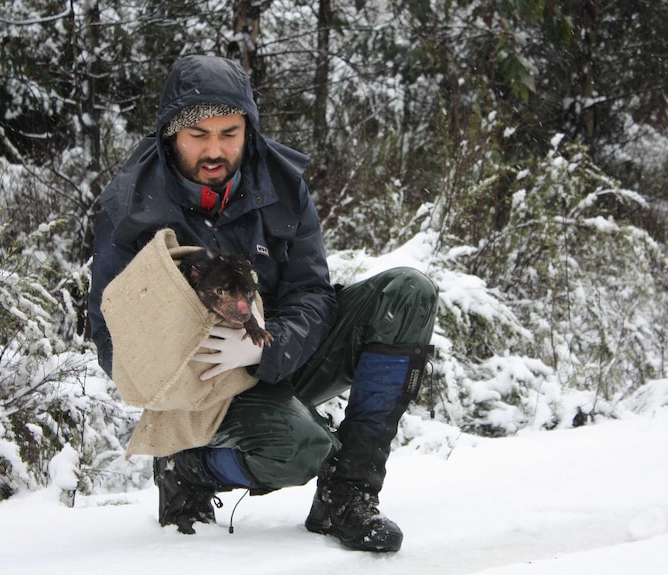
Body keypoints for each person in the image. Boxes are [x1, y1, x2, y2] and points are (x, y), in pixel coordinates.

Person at [88, 54, 437, 553]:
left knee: (407, 292)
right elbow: (109, 331)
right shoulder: (131, 205)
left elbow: (311, 291)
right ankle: (190, 467)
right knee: (302, 447)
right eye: (198, 136)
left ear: (248, 128)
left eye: (229, 133)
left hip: (277, 352)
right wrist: (188, 367)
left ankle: (348, 494)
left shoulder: (281, 182)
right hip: (206, 386)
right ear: (171, 135)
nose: (215, 150)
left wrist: (266, 347)